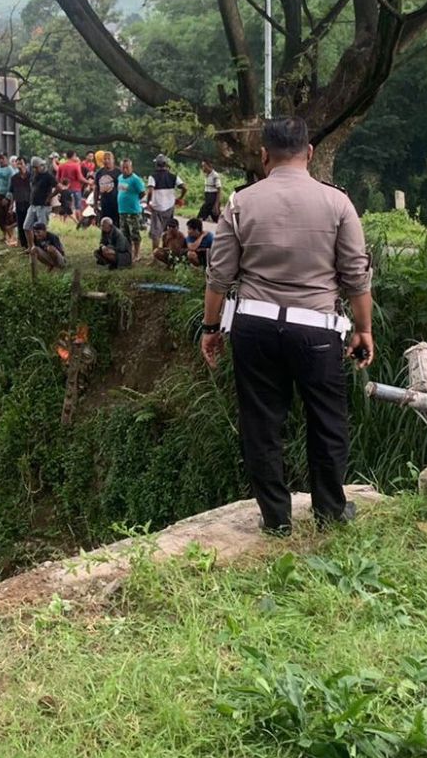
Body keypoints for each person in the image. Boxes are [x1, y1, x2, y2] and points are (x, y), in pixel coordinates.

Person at [200, 116, 372, 535]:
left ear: (263, 156)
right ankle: (330, 509)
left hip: (254, 326)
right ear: (309, 153)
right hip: (316, 329)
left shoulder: (241, 202)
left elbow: (219, 276)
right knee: (327, 419)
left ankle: (276, 517)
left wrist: (210, 328)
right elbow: (356, 276)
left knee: (262, 422)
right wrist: (363, 329)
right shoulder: (338, 203)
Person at [145, 154, 187, 251]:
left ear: (156, 165)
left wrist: (148, 203)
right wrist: (180, 198)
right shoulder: (173, 176)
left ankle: (156, 257)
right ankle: (169, 253)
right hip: (169, 208)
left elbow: (150, 191)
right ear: (166, 164)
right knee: (168, 231)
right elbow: (184, 188)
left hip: (157, 208)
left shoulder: (153, 177)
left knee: (156, 233)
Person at [24, 157, 58, 249]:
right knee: (27, 226)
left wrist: (49, 197)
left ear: (41, 166)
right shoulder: (34, 175)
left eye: (36, 167)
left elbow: (59, 187)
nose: (34, 169)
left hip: (43, 206)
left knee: (41, 229)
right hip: (33, 204)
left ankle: (44, 248)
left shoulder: (48, 176)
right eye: (33, 167)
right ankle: (31, 246)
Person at [117, 158, 147, 261]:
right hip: (122, 211)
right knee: (124, 234)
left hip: (133, 211)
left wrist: (134, 200)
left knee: (134, 234)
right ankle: (128, 253)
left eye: (127, 168)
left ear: (131, 168)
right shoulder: (120, 177)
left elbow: (142, 193)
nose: (125, 170)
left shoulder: (135, 179)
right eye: (123, 167)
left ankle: (137, 254)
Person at [0, 152, 16, 246]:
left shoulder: (10, 171)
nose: (1, 160)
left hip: (7, 195)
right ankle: (4, 234)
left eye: (3, 158)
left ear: (6, 159)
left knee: (8, 215)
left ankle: (11, 236)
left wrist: (7, 197)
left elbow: (12, 185)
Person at [9, 157, 33, 248]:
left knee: (30, 224)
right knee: (20, 224)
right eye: (17, 163)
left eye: (21, 163)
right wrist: (11, 205)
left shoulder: (31, 177)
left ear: (25, 164)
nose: (19, 166)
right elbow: (12, 192)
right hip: (19, 203)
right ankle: (23, 245)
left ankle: (31, 244)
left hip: (29, 203)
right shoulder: (14, 178)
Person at [56, 151, 84, 222]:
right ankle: (79, 223)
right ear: (73, 156)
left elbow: (57, 178)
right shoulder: (76, 165)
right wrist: (88, 182)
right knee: (78, 207)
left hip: (64, 190)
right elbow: (80, 178)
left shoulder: (61, 165)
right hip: (76, 188)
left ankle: (63, 223)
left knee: (65, 206)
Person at [93, 152, 120, 226]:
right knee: (105, 224)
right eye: (105, 159)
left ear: (113, 160)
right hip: (104, 203)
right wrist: (95, 204)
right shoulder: (99, 173)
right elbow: (96, 188)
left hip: (116, 203)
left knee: (116, 224)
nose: (107, 161)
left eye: (109, 159)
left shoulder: (118, 172)